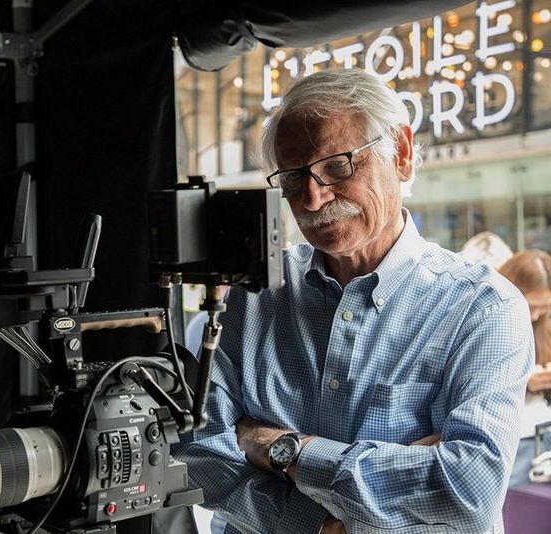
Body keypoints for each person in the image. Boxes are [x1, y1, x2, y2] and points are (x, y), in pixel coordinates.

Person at [172, 68, 534, 534]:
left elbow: (468, 490)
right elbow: (198, 450)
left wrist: (285, 449)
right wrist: (316, 525)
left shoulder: (483, 307)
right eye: (292, 177)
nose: (313, 195)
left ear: (400, 154)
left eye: (337, 166)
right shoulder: (252, 299)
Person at [498, 250, 551, 487]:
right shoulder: (492, 324)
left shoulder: (542, 326)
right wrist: (524, 383)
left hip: (541, 435)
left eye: (544, 308)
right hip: (511, 441)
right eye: (532, 306)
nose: (536, 315)